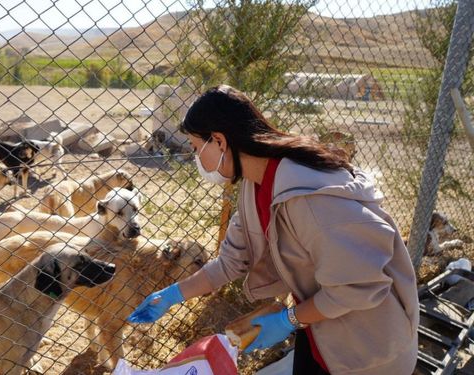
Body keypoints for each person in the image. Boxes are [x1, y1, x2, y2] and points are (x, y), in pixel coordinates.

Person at [128, 85, 419, 374]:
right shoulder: (255, 186)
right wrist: (172, 295)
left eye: (195, 148)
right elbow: (230, 262)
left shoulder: (308, 200)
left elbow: (358, 288)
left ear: (219, 140)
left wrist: (287, 320)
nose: (196, 160)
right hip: (322, 331)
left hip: (368, 348)